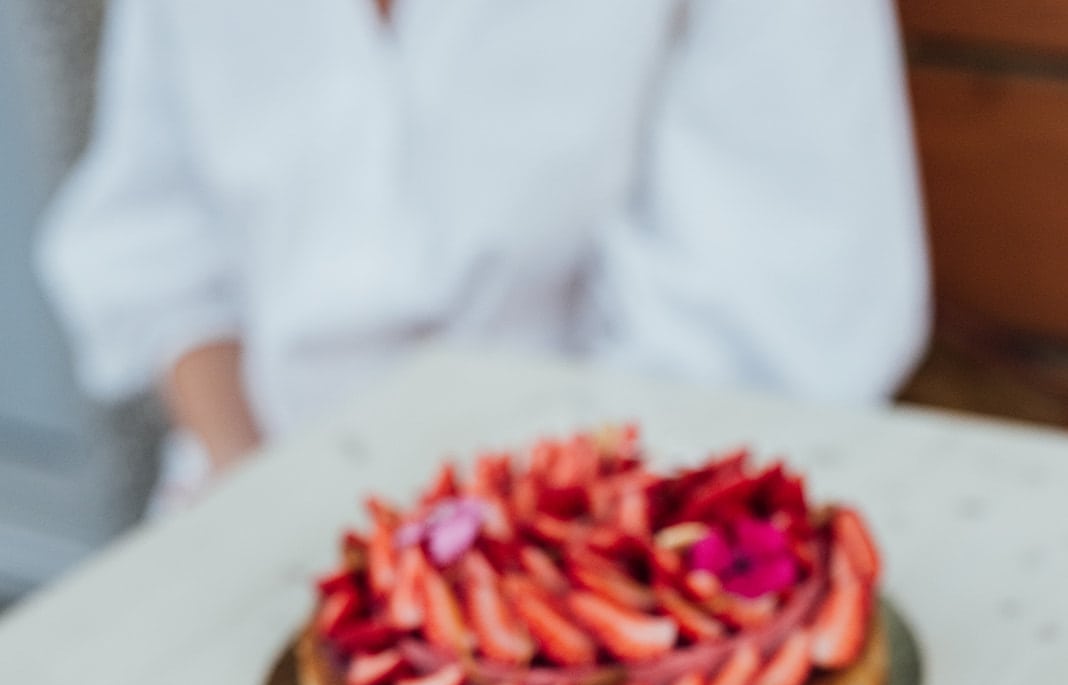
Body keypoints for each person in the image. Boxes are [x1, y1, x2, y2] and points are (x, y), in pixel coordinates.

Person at [38, 0, 929, 503]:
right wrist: (255, 492)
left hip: (619, 535)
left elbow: (770, 323)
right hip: (252, 500)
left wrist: (485, 577)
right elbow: (158, 245)